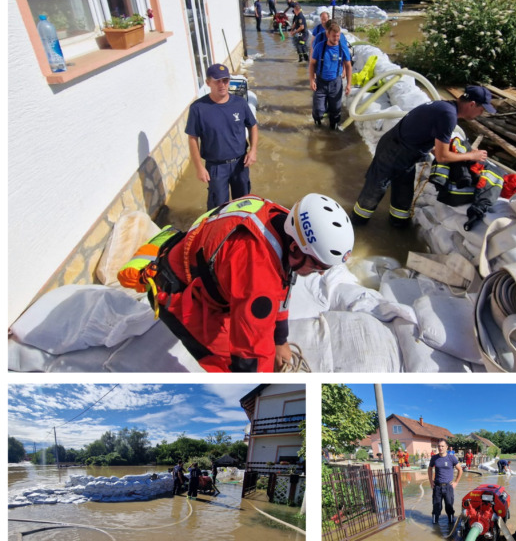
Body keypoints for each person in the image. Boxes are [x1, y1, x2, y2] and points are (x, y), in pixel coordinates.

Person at [120, 192, 354, 371]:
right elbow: (250, 353)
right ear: (295, 247)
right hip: (178, 295)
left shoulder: (281, 218)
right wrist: (263, 389)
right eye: (317, 266)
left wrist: (280, 340)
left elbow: (285, 282)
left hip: (199, 266)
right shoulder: (258, 272)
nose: (321, 274)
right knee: (227, 364)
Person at [352, 86, 493, 227]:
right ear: (472, 104)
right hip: (394, 150)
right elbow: (442, 156)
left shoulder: (445, 107)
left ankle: (398, 223)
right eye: (482, 110)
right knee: (376, 188)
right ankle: (358, 221)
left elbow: (425, 132)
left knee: (404, 189)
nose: (480, 114)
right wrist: (471, 155)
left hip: (406, 152)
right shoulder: (448, 115)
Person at [185, 63, 258, 211]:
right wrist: (199, 167)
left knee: (243, 205)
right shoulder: (198, 108)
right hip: (216, 168)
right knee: (217, 209)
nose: (222, 85)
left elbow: (253, 126)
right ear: (208, 83)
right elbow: (192, 138)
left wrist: (253, 150)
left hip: (240, 164)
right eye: (217, 81)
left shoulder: (240, 103)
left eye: (225, 80)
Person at [309, 20, 352, 130]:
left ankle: (333, 129)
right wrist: (311, 80)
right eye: (334, 36)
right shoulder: (319, 47)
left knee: (335, 111)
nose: (336, 39)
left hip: (335, 83)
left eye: (338, 36)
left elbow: (348, 65)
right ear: (327, 34)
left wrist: (348, 85)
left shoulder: (343, 48)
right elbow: (312, 64)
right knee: (318, 111)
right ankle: (317, 126)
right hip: (321, 82)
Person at [428, 439, 462, 525]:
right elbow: (430, 469)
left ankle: (451, 523)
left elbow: (460, 470)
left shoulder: (451, 458)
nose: (440, 448)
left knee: (449, 506)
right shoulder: (434, 458)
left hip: (448, 487)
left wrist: (456, 482)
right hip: (437, 487)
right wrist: (431, 481)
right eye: (439, 446)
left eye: (442, 446)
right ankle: (435, 524)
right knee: (436, 506)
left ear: (446, 447)